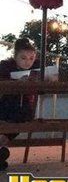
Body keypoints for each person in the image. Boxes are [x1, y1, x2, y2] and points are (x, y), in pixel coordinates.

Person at [0, 38, 40, 170]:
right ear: (15, 56)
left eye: (31, 58)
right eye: (23, 58)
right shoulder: (5, 67)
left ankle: (2, 143)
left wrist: (50, 77)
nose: (27, 62)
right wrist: (16, 82)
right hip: (5, 105)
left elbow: (43, 88)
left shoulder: (37, 68)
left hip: (24, 110)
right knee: (16, 113)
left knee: (24, 116)